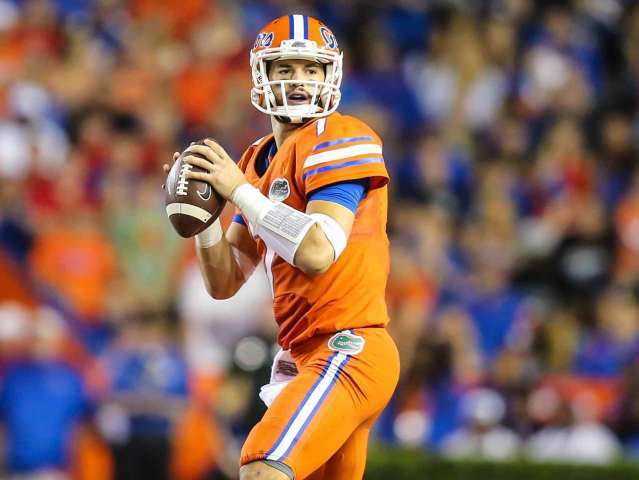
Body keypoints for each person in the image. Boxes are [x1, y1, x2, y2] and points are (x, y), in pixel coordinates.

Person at [164, 15, 399, 480]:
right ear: (262, 75)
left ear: (330, 76)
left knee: (262, 467)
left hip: (348, 345)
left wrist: (237, 192)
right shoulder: (256, 160)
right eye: (286, 68)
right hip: (302, 354)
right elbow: (224, 280)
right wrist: (205, 221)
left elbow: (317, 250)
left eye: (311, 69)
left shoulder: (341, 136)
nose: (299, 80)